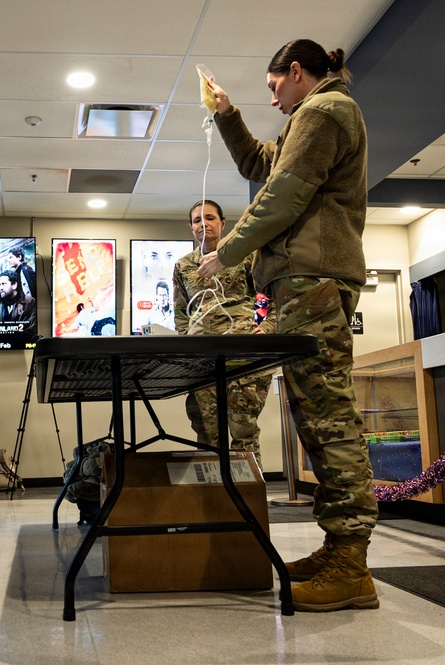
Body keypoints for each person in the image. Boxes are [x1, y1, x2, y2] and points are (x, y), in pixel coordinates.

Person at [198, 39, 378, 612]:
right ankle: (338, 549)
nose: (272, 99)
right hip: (302, 282)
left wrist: (225, 252)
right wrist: (227, 115)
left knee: (327, 414)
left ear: (297, 72)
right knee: (313, 410)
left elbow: (282, 195)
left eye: (274, 87)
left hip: (314, 279)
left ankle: (352, 562)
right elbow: (260, 164)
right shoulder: (310, 115)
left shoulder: (325, 112)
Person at [173, 200, 275, 465]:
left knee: (244, 430)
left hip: (242, 355)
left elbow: (275, 298)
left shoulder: (246, 257)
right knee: (206, 434)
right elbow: (181, 313)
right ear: (190, 227)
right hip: (202, 361)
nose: (203, 224)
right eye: (197, 220)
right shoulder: (184, 266)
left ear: (222, 223)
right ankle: (213, 500)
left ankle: (248, 499)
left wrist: (267, 328)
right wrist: (186, 353)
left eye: (209, 218)